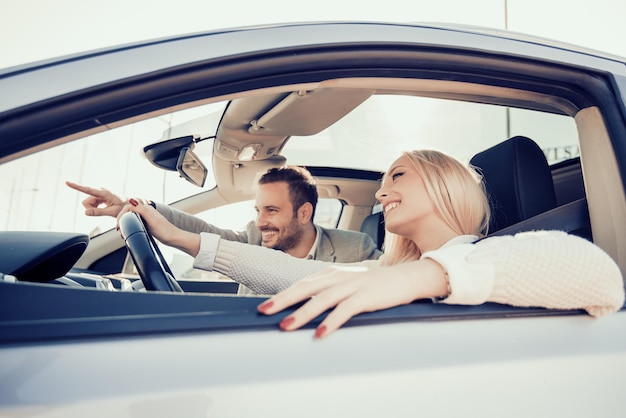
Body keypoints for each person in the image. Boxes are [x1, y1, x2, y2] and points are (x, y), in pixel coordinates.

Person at [118, 150, 625, 338]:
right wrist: (182, 237)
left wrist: (425, 274)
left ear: (446, 183)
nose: (381, 193)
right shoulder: (389, 269)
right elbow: (299, 279)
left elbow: (599, 276)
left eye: (397, 176)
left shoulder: (485, 256)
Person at [67, 166, 382, 292]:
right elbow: (203, 230)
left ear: (304, 212)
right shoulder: (253, 239)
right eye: (258, 210)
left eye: (271, 210)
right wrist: (140, 207)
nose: (261, 222)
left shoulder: (357, 249)